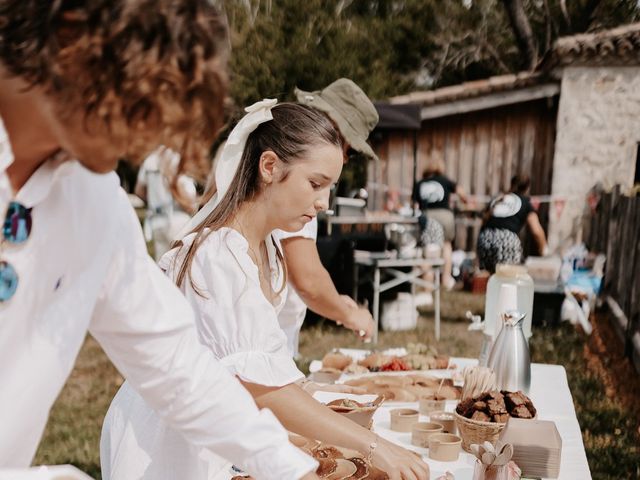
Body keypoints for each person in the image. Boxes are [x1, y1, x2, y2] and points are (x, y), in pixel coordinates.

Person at [0, 3, 318, 479]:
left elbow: (175, 365)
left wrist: (293, 468)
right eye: (149, 95)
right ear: (76, 35)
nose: (145, 137)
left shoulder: (95, 201)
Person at [102, 101, 430, 480]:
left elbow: (261, 375)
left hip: (213, 433)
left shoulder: (268, 249)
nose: (323, 203)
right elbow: (261, 389)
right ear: (270, 167)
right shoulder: (221, 254)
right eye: (315, 183)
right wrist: (372, 445)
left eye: (329, 187)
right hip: (162, 447)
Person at [274, 78, 376, 357]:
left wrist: (336, 302)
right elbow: (306, 277)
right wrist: (350, 315)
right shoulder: (298, 178)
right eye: (349, 149)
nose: (345, 159)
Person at [412, 160, 468, 289]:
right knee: (447, 245)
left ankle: (428, 281)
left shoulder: (420, 183)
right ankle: (446, 279)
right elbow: (461, 192)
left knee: (429, 246)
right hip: (445, 215)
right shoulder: (445, 180)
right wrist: (466, 200)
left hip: (428, 216)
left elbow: (414, 205)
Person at [477, 174, 547, 273]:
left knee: (492, 279)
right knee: (508, 279)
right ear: (527, 188)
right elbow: (536, 231)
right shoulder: (525, 202)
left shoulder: (498, 198)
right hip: (507, 240)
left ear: (511, 183)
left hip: (485, 238)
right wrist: (544, 251)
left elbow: (484, 220)